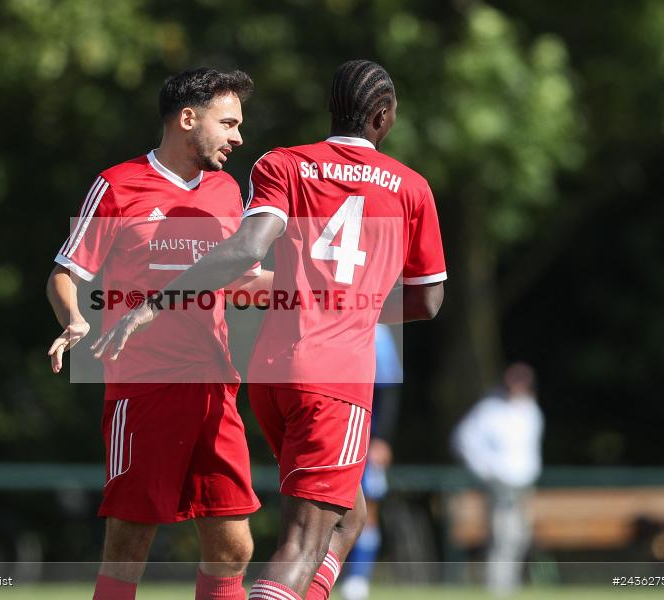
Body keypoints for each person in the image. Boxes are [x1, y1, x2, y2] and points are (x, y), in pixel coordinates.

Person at [93, 59, 447, 600]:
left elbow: (250, 249)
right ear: (384, 115)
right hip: (337, 377)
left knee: (346, 516)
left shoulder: (283, 164)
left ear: (333, 110)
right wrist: (352, 304)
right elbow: (427, 299)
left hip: (272, 374)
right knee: (304, 543)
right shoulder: (411, 187)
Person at [46, 67, 272, 600]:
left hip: (215, 385)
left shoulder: (224, 190)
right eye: (229, 123)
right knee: (130, 541)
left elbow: (241, 281)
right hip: (143, 387)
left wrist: (320, 287)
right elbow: (65, 273)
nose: (239, 137)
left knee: (233, 544)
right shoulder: (117, 184)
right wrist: (75, 317)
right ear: (188, 119)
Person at [452, 362, 544, 598]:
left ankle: (509, 588)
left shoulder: (531, 410)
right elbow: (463, 440)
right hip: (501, 485)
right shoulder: (490, 409)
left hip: (524, 486)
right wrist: (486, 470)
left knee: (519, 538)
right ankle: (498, 590)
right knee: (503, 538)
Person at [340, 324, 403, 600]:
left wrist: (381, 438)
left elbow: (388, 389)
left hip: (363, 437)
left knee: (368, 508)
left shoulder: (378, 331)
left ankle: (358, 577)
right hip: (328, 433)